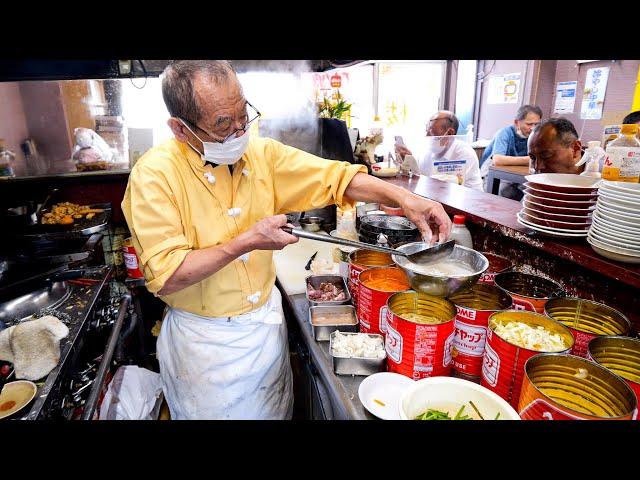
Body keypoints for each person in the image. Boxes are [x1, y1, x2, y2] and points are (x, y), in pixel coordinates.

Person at [121, 60, 452, 420]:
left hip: (264, 334)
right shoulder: (153, 176)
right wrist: (245, 242)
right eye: (222, 124)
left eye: (242, 114)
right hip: (205, 349)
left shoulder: (261, 154)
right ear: (180, 129)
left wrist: (406, 198)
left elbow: (336, 178)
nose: (238, 131)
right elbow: (167, 274)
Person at [394, 111, 483, 190]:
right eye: (426, 132)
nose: (427, 136)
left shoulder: (465, 154)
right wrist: (408, 160)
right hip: (438, 199)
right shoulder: (427, 151)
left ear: (450, 133)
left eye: (432, 133)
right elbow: (416, 175)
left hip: (466, 203)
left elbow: (448, 186)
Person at [480, 105, 542, 199]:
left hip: (516, 177)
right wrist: (529, 159)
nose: (533, 128)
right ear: (517, 123)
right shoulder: (505, 133)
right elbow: (497, 160)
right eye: (529, 124)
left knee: (533, 193)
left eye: (536, 125)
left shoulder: (535, 136)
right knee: (503, 192)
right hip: (493, 175)